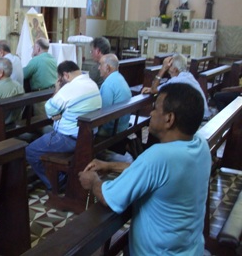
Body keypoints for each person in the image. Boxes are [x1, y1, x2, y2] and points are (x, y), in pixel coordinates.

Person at [79, 83, 211, 255]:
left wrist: (93, 182)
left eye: (155, 109)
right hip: (191, 249)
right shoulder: (199, 145)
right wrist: (110, 165)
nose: (150, 113)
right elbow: (156, 174)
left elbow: (110, 197)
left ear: (169, 119)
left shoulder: (159, 156)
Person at [26, 61, 102, 191]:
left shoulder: (70, 88)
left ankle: (58, 182)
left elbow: (49, 110)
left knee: (30, 151)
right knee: (45, 134)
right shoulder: (92, 83)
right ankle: (57, 175)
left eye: (60, 78)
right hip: (87, 135)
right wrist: (59, 113)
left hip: (69, 138)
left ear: (65, 75)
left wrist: (57, 90)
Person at [142, 53, 212, 119]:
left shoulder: (177, 80)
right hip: (202, 115)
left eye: (170, 66)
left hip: (198, 120)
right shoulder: (188, 75)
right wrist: (153, 89)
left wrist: (163, 68)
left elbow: (154, 90)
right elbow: (155, 89)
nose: (168, 69)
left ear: (175, 69)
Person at [98, 54, 132, 136]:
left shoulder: (108, 84)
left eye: (100, 65)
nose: (99, 68)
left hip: (113, 129)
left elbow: (103, 112)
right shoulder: (119, 77)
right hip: (124, 124)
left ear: (107, 68)